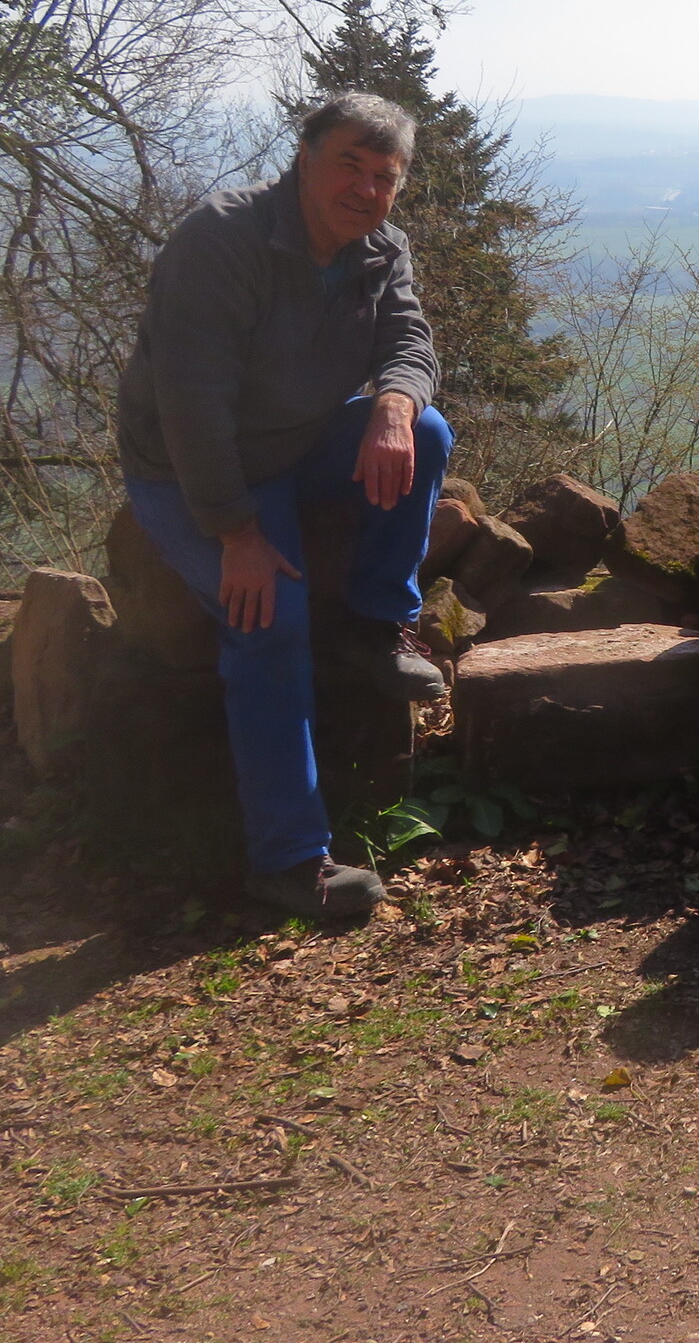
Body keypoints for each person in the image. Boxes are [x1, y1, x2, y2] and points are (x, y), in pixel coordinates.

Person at [116, 92, 453, 918]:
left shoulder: (381, 248)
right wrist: (236, 531)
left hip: (298, 443)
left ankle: (379, 624)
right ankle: (289, 859)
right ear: (304, 159)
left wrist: (393, 405)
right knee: (268, 616)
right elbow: (192, 402)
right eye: (349, 165)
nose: (366, 190)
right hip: (196, 466)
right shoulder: (222, 240)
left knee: (427, 431)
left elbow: (410, 343)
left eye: (385, 176)